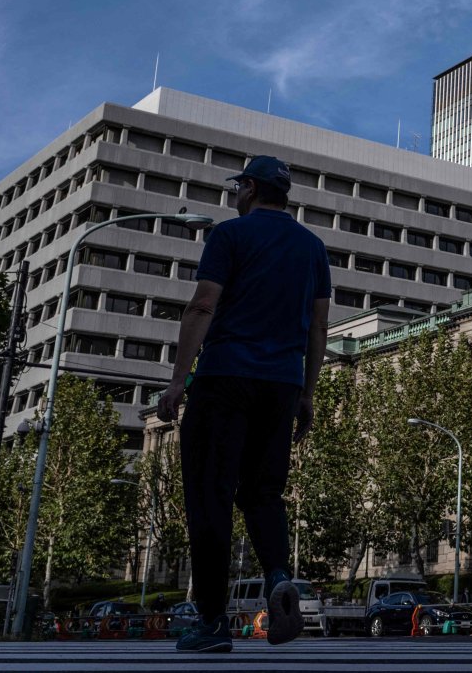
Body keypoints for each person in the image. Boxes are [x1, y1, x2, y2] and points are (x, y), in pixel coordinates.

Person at [158, 155, 331, 654]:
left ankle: (213, 623)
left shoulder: (230, 236)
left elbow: (203, 304)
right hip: (280, 385)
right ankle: (278, 574)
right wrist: (307, 393)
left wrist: (176, 381)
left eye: (240, 187)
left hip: (225, 376)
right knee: (263, 493)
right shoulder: (313, 247)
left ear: (250, 189)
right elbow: (318, 327)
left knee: (210, 496)